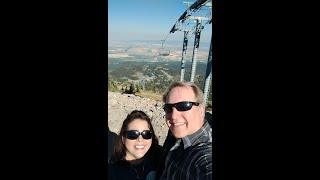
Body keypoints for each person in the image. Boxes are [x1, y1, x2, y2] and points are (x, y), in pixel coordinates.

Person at [156, 81, 213, 180]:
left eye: (184, 106)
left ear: (201, 111)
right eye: (169, 108)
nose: (173, 116)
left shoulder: (204, 156)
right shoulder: (175, 132)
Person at [108, 110, 162, 180]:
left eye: (146, 134)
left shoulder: (161, 158)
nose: (140, 139)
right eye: (133, 134)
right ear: (123, 139)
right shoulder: (111, 171)